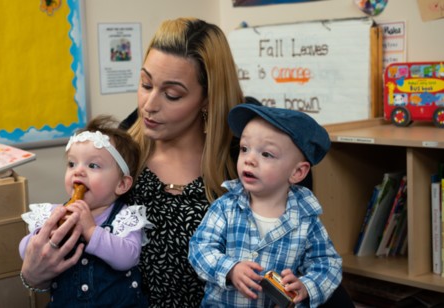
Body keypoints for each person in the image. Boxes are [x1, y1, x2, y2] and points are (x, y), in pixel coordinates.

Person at [121, 17, 244, 307]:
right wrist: (36, 272)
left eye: (172, 94)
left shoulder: (242, 168)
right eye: (145, 83)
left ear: (207, 98)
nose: (149, 105)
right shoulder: (118, 156)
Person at [188, 103, 342, 307]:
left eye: (266, 154)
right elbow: (199, 248)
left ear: (297, 172)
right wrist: (230, 269)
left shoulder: (306, 220)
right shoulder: (225, 207)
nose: (249, 159)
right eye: (244, 149)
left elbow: (328, 264)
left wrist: (305, 286)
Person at [18, 115, 151, 307]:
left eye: (93, 165)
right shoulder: (55, 213)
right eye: (72, 164)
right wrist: (44, 234)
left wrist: (91, 231)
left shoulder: (124, 217)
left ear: (121, 184)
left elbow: (128, 257)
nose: (78, 171)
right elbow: (25, 252)